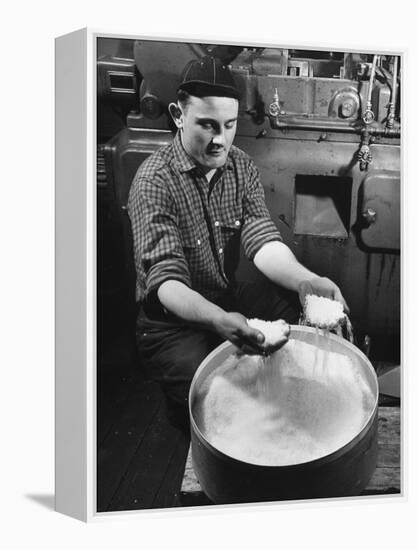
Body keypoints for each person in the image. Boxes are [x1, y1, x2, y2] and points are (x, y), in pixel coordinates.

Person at [127, 56, 347, 428]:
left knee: (298, 317)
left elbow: (262, 241)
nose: (220, 140)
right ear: (178, 115)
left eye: (229, 126)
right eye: (207, 125)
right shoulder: (153, 181)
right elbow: (166, 283)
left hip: (223, 297)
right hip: (169, 325)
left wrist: (308, 281)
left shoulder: (240, 166)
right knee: (217, 397)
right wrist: (218, 321)